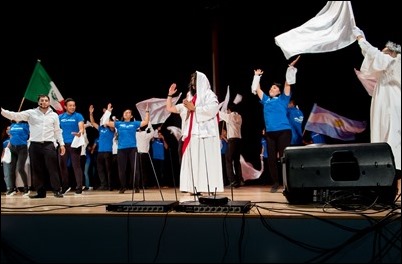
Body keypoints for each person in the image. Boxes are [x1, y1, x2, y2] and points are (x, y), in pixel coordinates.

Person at [353, 28, 401, 182]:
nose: (382, 52)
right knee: (382, 134)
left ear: (392, 53)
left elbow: (375, 54)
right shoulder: (385, 68)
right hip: (382, 103)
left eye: (385, 51)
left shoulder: (395, 62)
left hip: (392, 104)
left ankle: (395, 173)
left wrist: (361, 39)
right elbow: (372, 57)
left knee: (392, 134)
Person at [166, 71, 224, 195]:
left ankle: (208, 187)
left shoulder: (209, 95)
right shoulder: (191, 97)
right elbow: (171, 108)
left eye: (195, 81)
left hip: (205, 133)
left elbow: (213, 109)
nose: (193, 84)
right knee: (193, 161)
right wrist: (170, 95)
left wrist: (195, 108)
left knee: (205, 161)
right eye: (192, 82)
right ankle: (194, 187)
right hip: (192, 133)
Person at [251, 55, 300, 193]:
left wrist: (291, 68)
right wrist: (256, 76)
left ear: (278, 91)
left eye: (273, 88)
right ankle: (276, 182)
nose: (271, 89)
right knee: (271, 159)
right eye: (271, 88)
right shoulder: (265, 100)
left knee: (284, 158)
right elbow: (257, 89)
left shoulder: (283, 99)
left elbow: (287, 84)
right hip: (270, 133)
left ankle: (287, 182)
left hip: (284, 131)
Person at [1, 94, 65, 198]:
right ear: (38, 102)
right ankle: (40, 192)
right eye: (41, 100)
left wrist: (62, 144)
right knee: (37, 169)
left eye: (46, 100)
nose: (44, 102)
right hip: (35, 145)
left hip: (49, 144)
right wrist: (2, 111)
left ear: (49, 102)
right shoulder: (31, 113)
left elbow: (58, 131)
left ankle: (57, 190)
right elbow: (15, 115)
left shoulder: (54, 115)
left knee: (52, 168)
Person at [102, 103, 150, 194]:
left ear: (131, 116)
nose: (126, 113)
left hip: (132, 149)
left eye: (128, 113)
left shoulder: (135, 123)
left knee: (135, 169)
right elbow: (106, 122)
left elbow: (146, 122)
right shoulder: (119, 124)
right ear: (123, 115)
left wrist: (147, 111)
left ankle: (136, 187)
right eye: (125, 112)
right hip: (121, 149)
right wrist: (108, 111)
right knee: (121, 169)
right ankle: (123, 187)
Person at [58, 98, 85, 195]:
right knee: (63, 166)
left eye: (74, 105)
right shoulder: (60, 117)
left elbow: (81, 128)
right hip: (63, 145)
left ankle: (79, 187)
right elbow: (56, 129)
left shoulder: (78, 116)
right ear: (65, 107)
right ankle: (65, 187)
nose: (72, 107)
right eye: (70, 105)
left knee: (76, 166)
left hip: (75, 144)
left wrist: (80, 132)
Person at [219, 103, 243, 188]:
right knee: (236, 161)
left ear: (229, 110)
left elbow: (218, 113)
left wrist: (222, 109)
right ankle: (239, 180)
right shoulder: (239, 116)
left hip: (232, 140)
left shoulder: (229, 116)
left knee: (228, 160)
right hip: (239, 140)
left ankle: (232, 181)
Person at [2, 125, 14, 196]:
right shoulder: (5, 141)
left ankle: (14, 188)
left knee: (13, 174)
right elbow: (4, 151)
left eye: (9, 129)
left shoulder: (16, 140)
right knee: (7, 174)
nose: (8, 131)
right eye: (7, 129)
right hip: (6, 158)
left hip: (14, 157)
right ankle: (9, 188)